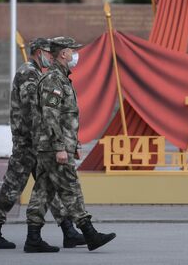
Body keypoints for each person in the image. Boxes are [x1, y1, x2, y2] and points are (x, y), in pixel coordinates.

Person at [0, 38, 85, 251]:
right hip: (28, 143)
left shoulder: (37, 73)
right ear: (39, 52)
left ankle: (68, 231)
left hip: (38, 141)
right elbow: (33, 111)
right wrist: (49, 141)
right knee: (13, 186)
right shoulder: (28, 73)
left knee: (48, 186)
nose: (52, 56)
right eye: (49, 52)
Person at [25, 36, 116, 253]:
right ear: (63, 53)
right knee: (71, 188)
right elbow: (50, 115)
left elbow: (67, 118)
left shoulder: (62, 79)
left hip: (55, 145)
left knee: (43, 192)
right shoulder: (53, 80)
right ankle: (89, 233)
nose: (76, 55)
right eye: (72, 51)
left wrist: (74, 144)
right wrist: (59, 147)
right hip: (52, 147)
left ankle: (33, 238)